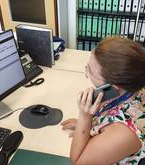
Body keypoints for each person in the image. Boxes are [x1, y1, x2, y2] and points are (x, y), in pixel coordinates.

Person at [61, 36, 145, 165]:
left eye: (89, 70)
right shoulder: (133, 84)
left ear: (112, 87)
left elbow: (78, 161)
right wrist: (89, 127)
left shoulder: (124, 133)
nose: (87, 74)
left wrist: (85, 116)